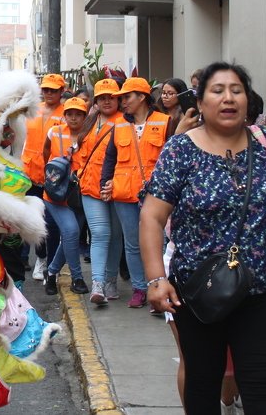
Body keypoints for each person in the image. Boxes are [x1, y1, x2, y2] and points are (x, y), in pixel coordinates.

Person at [140, 62, 266, 413]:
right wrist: (156, 278)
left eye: (236, 90)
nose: (228, 98)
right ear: (200, 103)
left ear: (248, 100)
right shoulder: (180, 151)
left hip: (264, 287)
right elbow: (153, 217)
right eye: (217, 91)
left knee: (263, 387)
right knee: (203, 382)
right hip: (199, 291)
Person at [99, 77, 169, 308]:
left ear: (142, 97)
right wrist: (105, 182)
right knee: (132, 244)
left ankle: (157, 287)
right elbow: (110, 158)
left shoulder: (165, 122)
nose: (123, 102)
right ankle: (139, 289)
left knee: (157, 242)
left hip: (156, 194)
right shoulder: (118, 124)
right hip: (124, 192)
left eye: (126, 97)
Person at [73, 78, 126, 305]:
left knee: (116, 236)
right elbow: (79, 152)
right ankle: (98, 283)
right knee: (101, 233)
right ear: (96, 101)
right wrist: (77, 171)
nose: (106, 101)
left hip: (117, 187)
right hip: (90, 187)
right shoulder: (90, 122)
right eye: (102, 97)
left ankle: (111, 279)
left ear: (118, 99)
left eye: (111, 97)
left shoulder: (125, 122)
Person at [40, 96, 90, 296]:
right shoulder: (55, 132)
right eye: (70, 114)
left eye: (78, 114)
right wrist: (54, 177)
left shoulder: (90, 135)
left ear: (85, 116)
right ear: (65, 115)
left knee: (71, 235)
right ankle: (77, 278)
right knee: (70, 232)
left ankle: (51, 273)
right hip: (56, 194)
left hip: (79, 194)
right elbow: (45, 153)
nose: (74, 118)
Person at [21, 73, 67, 281]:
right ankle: (40, 258)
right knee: (35, 219)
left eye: (53, 90)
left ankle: (51, 264)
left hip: (54, 175)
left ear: (61, 92)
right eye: (46, 89)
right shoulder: (33, 110)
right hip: (29, 172)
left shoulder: (67, 112)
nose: (49, 93)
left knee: (52, 222)